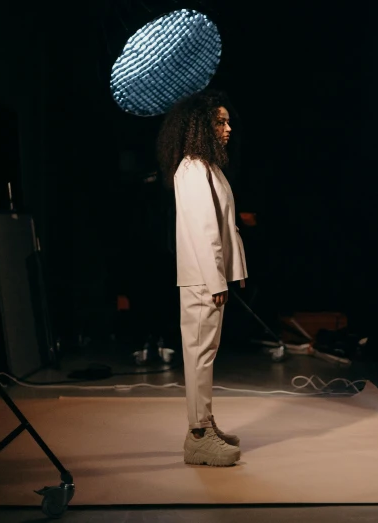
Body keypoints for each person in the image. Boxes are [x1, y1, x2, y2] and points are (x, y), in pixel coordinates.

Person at [156, 89, 247, 466]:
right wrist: (216, 280)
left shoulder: (207, 167)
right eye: (219, 122)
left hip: (208, 278)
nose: (227, 129)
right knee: (198, 357)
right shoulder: (192, 170)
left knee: (204, 355)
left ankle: (204, 423)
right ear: (201, 126)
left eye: (227, 122)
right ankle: (197, 435)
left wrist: (232, 272)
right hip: (200, 280)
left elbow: (225, 226)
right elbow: (204, 229)